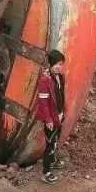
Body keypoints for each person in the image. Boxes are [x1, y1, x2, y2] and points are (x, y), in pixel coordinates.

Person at [36, 49, 66, 183]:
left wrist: (63, 112)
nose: (59, 67)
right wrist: (47, 119)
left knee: (55, 139)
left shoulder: (60, 77)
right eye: (57, 64)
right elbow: (42, 102)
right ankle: (46, 172)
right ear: (51, 64)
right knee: (50, 145)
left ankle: (53, 160)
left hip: (58, 116)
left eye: (61, 64)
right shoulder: (45, 80)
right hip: (51, 119)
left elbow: (61, 95)